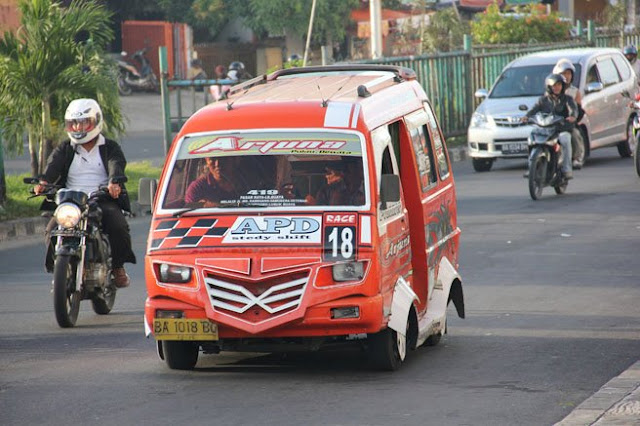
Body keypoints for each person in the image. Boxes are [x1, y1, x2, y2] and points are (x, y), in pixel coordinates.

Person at [35, 99, 136, 288]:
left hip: (101, 198)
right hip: (71, 200)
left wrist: (114, 182)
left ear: (95, 121)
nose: (78, 127)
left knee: (118, 226)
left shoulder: (110, 147)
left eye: (83, 122)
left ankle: (118, 268)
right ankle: (59, 267)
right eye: (74, 123)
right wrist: (43, 182)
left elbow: (116, 165)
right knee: (51, 229)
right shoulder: (65, 148)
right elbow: (53, 166)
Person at [523, 73, 578, 179]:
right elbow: (534, 109)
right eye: (554, 85)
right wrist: (527, 116)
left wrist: (572, 116)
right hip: (546, 129)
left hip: (561, 129)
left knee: (565, 139)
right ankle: (531, 167)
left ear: (563, 86)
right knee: (531, 137)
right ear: (549, 87)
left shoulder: (568, 99)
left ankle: (567, 169)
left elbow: (573, 110)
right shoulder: (542, 100)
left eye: (559, 85)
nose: (557, 88)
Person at [553, 58, 585, 169]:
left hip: (568, 122)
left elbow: (579, 109)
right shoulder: (551, 90)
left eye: (568, 73)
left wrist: (573, 118)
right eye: (563, 73)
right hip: (554, 122)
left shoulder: (574, 91)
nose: (566, 76)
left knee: (575, 134)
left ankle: (577, 158)